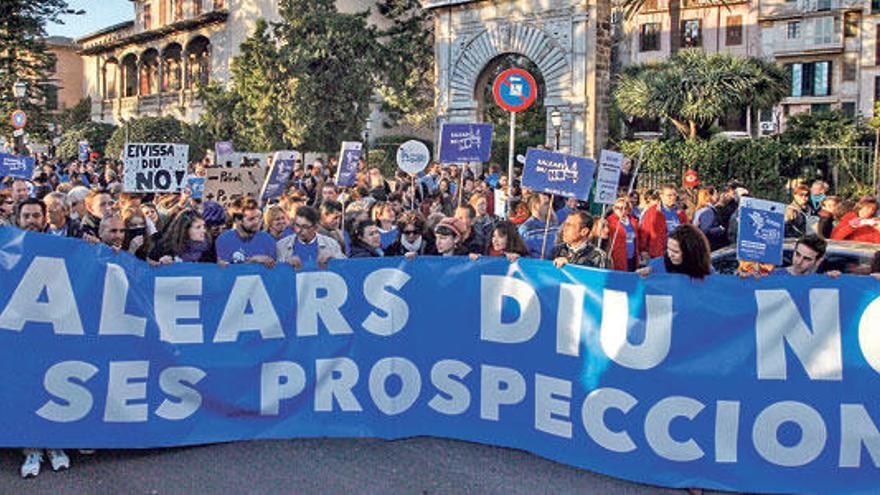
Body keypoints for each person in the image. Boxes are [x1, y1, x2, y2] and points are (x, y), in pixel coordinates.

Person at [276, 205, 345, 269]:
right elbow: (274, 274)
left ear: (315, 228)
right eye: (297, 225)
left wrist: (334, 261)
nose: (299, 230)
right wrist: (285, 265)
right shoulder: (281, 245)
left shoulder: (331, 245)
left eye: (305, 227)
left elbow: (346, 267)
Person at [215, 198, 276, 267]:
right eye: (251, 219)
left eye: (259, 217)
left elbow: (275, 270)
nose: (257, 222)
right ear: (237, 220)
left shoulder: (268, 239)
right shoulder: (224, 240)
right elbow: (225, 271)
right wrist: (251, 260)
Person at [636, 224, 712, 280]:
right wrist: (637, 278)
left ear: (690, 253)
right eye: (668, 248)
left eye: (675, 252)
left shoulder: (707, 271)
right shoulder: (656, 266)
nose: (670, 255)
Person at [638, 184, 688, 260]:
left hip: (676, 253)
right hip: (657, 254)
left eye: (674, 195)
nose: (673, 198)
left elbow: (686, 232)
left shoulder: (680, 212)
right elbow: (644, 232)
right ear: (661, 196)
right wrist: (643, 250)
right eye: (669, 195)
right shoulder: (652, 212)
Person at [518, 194, 558, 259]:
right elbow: (522, 253)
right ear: (535, 207)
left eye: (550, 203)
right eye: (546, 204)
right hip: (537, 266)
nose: (550, 206)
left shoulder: (553, 222)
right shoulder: (526, 228)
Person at [607, 197, 640, 271]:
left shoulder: (633, 221)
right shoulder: (610, 221)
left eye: (623, 208)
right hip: (618, 257)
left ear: (628, 210)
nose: (619, 210)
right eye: (617, 207)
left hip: (632, 257)